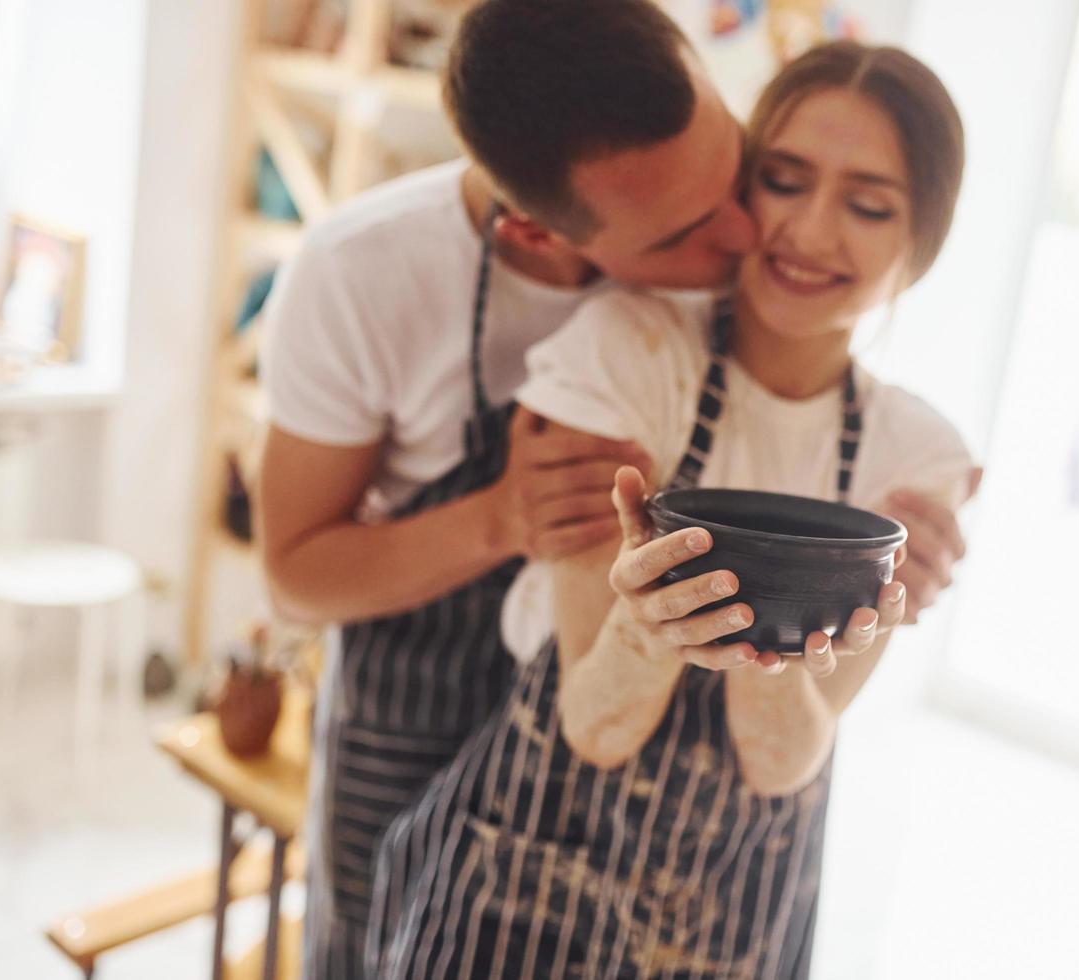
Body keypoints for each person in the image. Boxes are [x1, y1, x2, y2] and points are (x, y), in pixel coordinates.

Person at [369, 39, 975, 978]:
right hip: (528, 860)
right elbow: (595, 728)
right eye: (784, 179)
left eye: (868, 204)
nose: (813, 233)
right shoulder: (627, 350)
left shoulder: (915, 459)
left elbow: (781, 767)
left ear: (920, 244)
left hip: (731, 905)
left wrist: (779, 630)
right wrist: (649, 635)